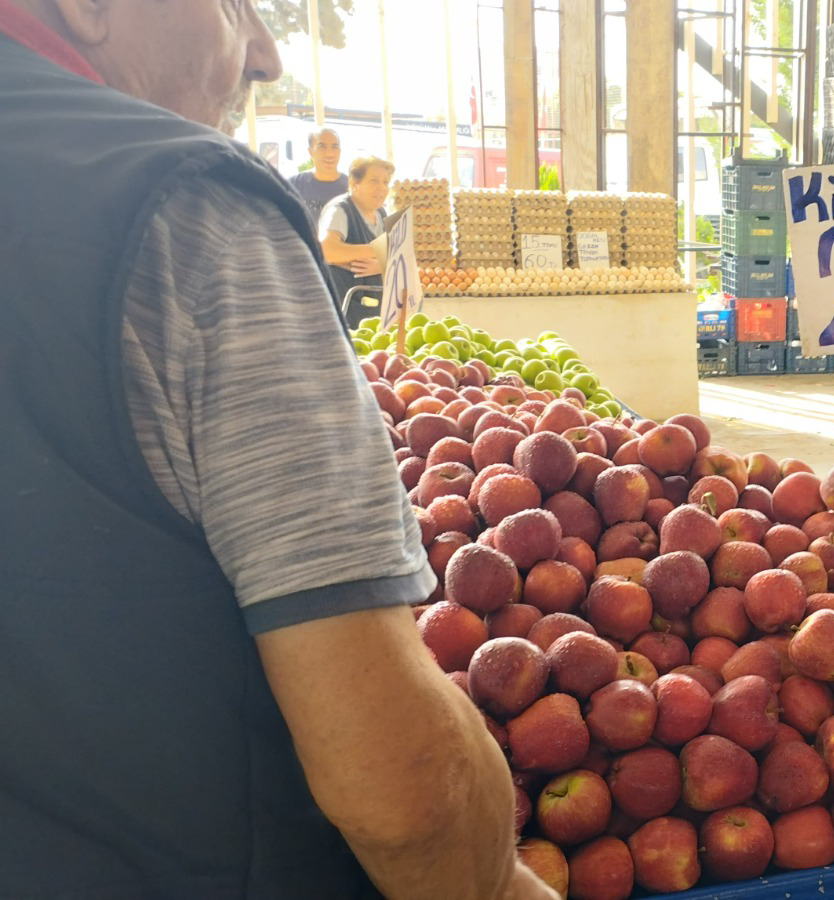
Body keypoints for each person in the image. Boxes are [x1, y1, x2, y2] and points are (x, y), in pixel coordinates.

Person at [0, 2, 554, 898]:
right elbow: (400, 791)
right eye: (234, 5)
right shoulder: (186, 207)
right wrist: (493, 883)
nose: (263, 53)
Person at [320, 156, 393, 327]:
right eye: (374, 181)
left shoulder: (382, 214)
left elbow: (396, 257)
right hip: (346, 310)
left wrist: (382, 265)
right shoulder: (340, 210)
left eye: (385, 182)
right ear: (354, 183)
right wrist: (377, 251)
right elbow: (326, 250)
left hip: (374, 311)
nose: (381, 188)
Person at [290, 127, 350, 225]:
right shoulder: (294, 184)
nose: (329, 153)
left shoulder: (352, 187)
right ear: (311, 151)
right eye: (322, 147)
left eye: (335, 146)